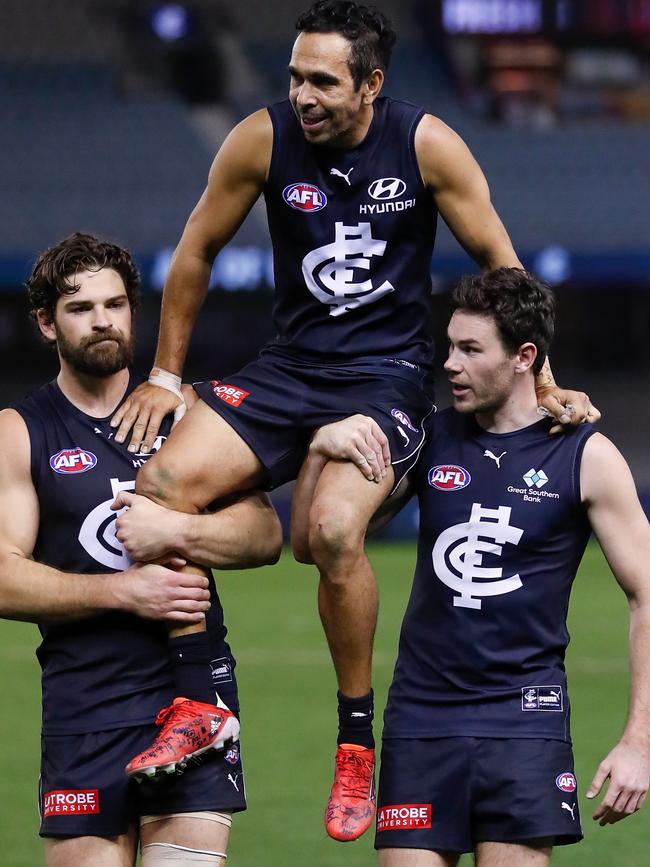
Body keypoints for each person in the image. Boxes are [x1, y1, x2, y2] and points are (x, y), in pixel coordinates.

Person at [108, 0, 598, 841]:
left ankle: (353, 741)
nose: (301, 93)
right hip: (290, 370)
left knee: (332, 532)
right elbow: (195, 249)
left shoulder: (426, 144)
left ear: (371, 83)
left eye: (323, 80)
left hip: (386, 379)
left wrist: (542, 377)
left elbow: (501, 262)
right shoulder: (260, 139)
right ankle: (201, 700)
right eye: (295, 75)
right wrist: (163, 372)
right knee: (157, 488)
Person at [308, 268, 650, 861]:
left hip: (525, 723)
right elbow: (321, 545)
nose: (450, 364)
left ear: (524, 357)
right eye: (449, 346)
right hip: (421, 719)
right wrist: (320, 450)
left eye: (470, 349)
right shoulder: (427, 437)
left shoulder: (586, 456)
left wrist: (639, 743)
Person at [0, 233, 282, 867]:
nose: (103, 320)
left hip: (193, 702)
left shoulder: (190, 418)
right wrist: (122, 591)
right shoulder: (18, 433)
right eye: (80, 308)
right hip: (84, 706)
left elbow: (266, 535)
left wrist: (176, 532)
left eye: (116, 304)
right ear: (47, 324)